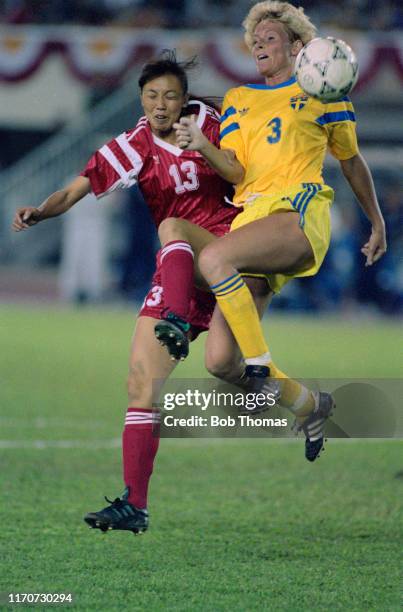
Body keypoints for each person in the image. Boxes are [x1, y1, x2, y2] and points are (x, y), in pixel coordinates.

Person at [12, 51, 271, 535]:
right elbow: (79, 187)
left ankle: (179, 321)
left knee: (174, 224)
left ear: (184, 99)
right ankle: (136, 503)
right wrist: (41, 211)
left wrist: (206, 147)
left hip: (226, 256)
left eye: (171, 95)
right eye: (152, 95)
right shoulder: (134, 144)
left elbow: (239, 172)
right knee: (144, 384)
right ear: (141, 100)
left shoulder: (211, 123)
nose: (161, 104)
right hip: (178, 269)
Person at [173, 0, 387, 461]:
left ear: (296, 47)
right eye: (255, 38)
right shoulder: (239, 100)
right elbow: (234, 170)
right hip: (252, 222)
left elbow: (350, 160)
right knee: (219, 363)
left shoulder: (322, 92)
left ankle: (262, 363)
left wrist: (377, 219)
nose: (259, 43)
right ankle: (311, 406)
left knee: (213, 259)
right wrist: (202, 143)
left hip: (297, 212)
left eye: (270, 37)